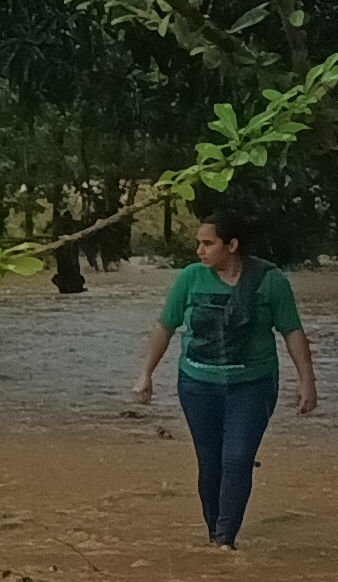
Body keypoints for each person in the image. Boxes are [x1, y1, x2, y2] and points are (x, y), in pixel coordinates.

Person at [133, 202, 318, 549]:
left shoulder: (270, 281)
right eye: (199, 243)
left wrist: (307, 381)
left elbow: (293, 332)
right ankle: (214, 532)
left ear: (231, 245)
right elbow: (165, 327)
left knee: (237, 458)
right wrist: (146, 374)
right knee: (210, 462)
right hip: (197, 384)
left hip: (252, 385)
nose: (199, 250)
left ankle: (224, 541)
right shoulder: (189, 278)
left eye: (207, 243)